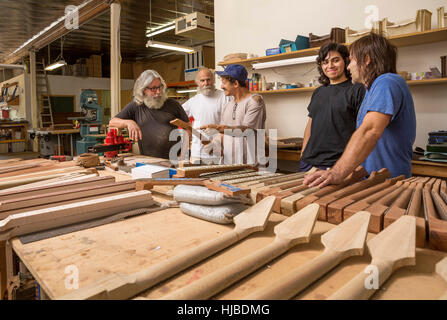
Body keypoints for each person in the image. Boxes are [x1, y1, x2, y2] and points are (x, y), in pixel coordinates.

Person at [304, 33, 416, 188]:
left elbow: (369, 131)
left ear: (366, 59)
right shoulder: (372, 89)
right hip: (371, 180)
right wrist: (350, 176)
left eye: (352, 60)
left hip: (389, 184)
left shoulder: (387, 82)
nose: (348, 67)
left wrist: (337, 172)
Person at [300, 42, 365, 172]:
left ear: (346, 61)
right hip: (308, 162)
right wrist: (303, 153)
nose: (330, 66)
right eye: (325, 62)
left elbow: (364, 129)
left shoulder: (357, 90)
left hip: (336, 164)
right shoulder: (318, 92)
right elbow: (311, 124)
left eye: (335, 60)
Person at [109, 69, 190, 159]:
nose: (158, 92)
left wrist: (183, 153)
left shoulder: (173, 104)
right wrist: (128, 122)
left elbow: (188, 128)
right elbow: (112, 122)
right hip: (149, 161)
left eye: (160, 87)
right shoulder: (136, 106)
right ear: (143, 90)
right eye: (153, 88)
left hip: (175, 159)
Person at [201, 64, 266, 165]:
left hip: (250, 164)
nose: (221, 86)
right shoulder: (227, 105)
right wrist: (214, 145)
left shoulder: (255, 101)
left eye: (224, 83)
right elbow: (222, 134)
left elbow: (246, 130)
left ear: (235, 83)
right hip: (228, 163)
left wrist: (217, 127)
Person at [182, 67, 231, 161]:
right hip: (197, 152)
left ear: (213, 80)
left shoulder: (225, 97)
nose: (206, 83)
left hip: (217, 151)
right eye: (202, 80)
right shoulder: (194, 100)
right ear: (198, 82)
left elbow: (232, 124)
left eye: (208, 79)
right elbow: (178, 114)